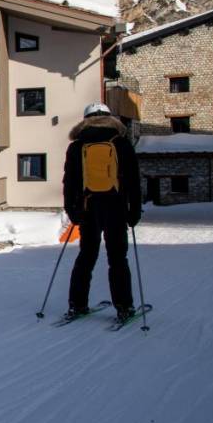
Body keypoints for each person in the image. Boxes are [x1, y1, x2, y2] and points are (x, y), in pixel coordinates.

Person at [62, 102, 142, 324]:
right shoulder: (121, 143)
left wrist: (72, 210)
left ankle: (77, 304)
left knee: (86, 256)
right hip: (116, 207)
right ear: (110, 118)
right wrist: (134, 211)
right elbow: (133, 180)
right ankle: (124, 307)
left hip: (88, 208)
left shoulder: (77, 146)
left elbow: (69, 182)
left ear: (85, 119)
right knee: (117, 258)